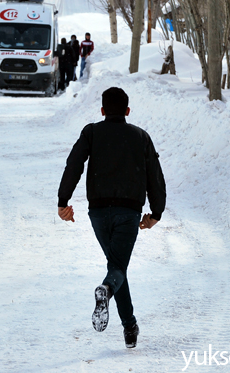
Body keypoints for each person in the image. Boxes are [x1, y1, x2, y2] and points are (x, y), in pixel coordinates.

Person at [57, 87, 166, 349]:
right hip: (128, 212)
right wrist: (156, 213)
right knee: (116, 269)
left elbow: (74, 164)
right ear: (127, 111)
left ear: (103, 110)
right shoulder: (141, 136)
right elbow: (155, 176)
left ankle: (130, 327)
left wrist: (63, 201)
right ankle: (109, 295)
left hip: (98, 212)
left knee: (117, 267)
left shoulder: (92, 132)